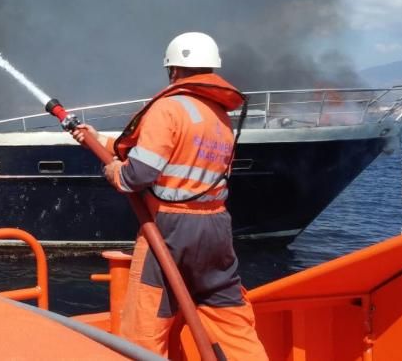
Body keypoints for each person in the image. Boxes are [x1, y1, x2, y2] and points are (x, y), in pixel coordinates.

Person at [73, 32, 267, 360]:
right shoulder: (218, 116)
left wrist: (113, 172)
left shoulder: (168, 109)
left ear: (173, 70)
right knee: (229, 315)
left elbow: (135, 176)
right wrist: (98, 140)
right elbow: (171, 158)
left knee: (147, 323)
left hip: (170, 230)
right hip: (216, 229)